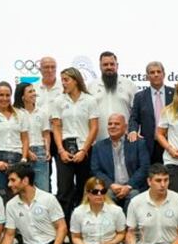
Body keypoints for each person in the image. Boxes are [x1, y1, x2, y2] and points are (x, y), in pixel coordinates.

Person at [50, 66, 100, 217]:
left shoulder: (90, 100)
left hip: (85, 147)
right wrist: (60, 150)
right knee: (64, 189)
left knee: (84, 187)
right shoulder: (59, 101)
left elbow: (94, 127)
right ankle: (64, 227)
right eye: (62, 80)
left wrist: (84, 150)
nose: (63, 83)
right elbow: (56, 127)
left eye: (66, 80)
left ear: (76, 81)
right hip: (64, 147)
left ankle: (82, 223)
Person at [91, 113, 150, 207]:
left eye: (117, 124)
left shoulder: (138, 143)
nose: (112, 126)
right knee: (105, 196)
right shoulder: (98, 146)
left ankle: (129, 222)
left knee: (134, 197)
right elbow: (95, 170)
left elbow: (144, 167)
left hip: (133, 187)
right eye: (110, 124)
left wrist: (128, 186)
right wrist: (110, 185)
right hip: (111, 187)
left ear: (125, 127)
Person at [128, 60, 173, 163]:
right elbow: (134, 118)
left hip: (171, 143)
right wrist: (133, 130)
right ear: (147, 77)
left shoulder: (174, 94)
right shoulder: (140, 97)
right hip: (149, 145)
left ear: (164, 74)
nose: (156, 75)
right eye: (152, 72)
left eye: (158, 71)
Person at [87, 51, 138, 131]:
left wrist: (133, 131)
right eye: (105, 65)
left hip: (125, 138)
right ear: (100, 66)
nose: (109, 67)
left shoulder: (129, 85)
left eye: (112, 64)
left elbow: (136, 114)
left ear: (117, 66)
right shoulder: (90, 87)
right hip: (98, 139)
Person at [15, 82, 52, 192]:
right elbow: (16, 135)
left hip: (40, 150)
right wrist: (27, 152)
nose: (34, 94)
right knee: (23, 188)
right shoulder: (16, 113)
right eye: (30, 92)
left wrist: (47, 150)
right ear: (22, 96)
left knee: (43, 187)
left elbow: (46, 133)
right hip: (22, 152)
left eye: (34, 91)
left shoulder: (42, 112)